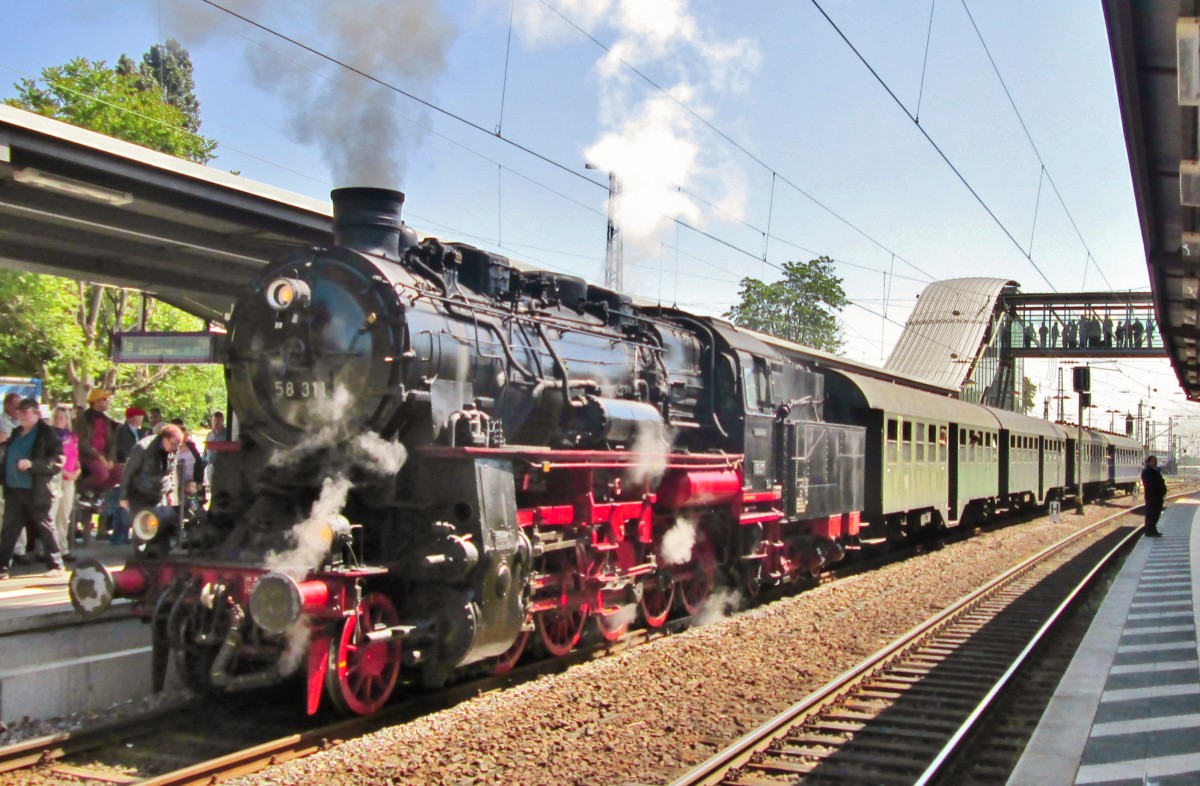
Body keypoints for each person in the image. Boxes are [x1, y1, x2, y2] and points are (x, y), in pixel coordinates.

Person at [0, 398, 65, 579]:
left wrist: (33, 464)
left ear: (37, 413)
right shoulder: (16, 432)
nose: (22, 415)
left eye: (26, 411)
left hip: (36, 490)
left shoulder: (47, 434)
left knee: (44, 526)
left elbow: (58, 461)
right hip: (14, 488)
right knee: (9, 529)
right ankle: (2, 568)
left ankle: (56, 565)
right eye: (19, 411)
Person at [117, 424, 183, 544]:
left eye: (178, 445)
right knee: (143, 531)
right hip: (140, 493)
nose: (175, 448)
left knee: (162, 528)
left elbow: (170, 473)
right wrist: (124, 496)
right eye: (173, 444)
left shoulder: (173, 450)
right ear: (165, 438)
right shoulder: (142, 447)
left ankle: (159, 556)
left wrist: (170, 492)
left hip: (159, 494)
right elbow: (128, 472)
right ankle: (141, 556)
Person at [76, 389, 120, 495]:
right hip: (88, 456)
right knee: (102, 474)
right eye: (104, 399)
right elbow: (82, 443)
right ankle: (80, 492)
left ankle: (97, 494)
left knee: (120, 473)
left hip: (104, 456)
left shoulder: (107, 420)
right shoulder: (83, 419)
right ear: (95, 402)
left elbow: (112, 442)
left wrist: (110, 459)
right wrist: (99, 456)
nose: (107, 402)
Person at [51, 406, 81, 563]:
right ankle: (51, 549)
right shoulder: (50, 436)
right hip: (55, 478)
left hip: (70, 479)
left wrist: (78, 469)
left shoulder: (72, 437)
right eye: (56, 418)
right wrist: (64, 472)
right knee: (52, 515)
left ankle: (63, 547)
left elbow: (75, 456)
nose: (58, 421)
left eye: (61, 418)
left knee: (65, 515)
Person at [1141, 455, 1167, 538]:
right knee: (1151, 514)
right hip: (1152, 497)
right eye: (1153, 461)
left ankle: (1152, 530)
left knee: (1155, 514)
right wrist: (1154, 496)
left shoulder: (1154, 471)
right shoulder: (1147, 472)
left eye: (1155, 461)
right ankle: (1149, 531)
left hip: (1157, 497)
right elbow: (1150, 485)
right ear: (1148, 462)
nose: (1155, 463)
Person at [204, 412, 226, 496]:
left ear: (222, 421)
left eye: (218, 422)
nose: (215, 424)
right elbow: (206, 450)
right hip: (210, 465)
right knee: (212, 489)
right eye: (214, 421)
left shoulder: (227, 434)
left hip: (222, 466)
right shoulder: (210, 435)